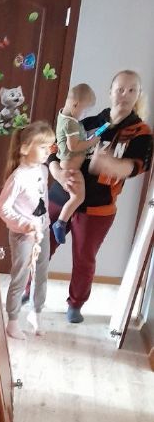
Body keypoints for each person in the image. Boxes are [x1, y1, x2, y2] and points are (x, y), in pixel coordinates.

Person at [46, 70, 153, 324]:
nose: (125, 94)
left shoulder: (141, 132)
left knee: (84, 259)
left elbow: (138, 166)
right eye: (120, 89)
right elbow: (54, 150)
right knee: (41, 247)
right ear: (110, 91)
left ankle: (75, 304)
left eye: (131, 90)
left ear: (139, 94)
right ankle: (28, 289)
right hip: (60, 195)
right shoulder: (88, 121)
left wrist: (111, 165)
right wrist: (57, 172)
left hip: (97, 208)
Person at [0, 121, 55, 340]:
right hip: (23, 235)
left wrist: (42, 224)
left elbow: (41, 201)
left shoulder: (43, 170)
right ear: (25, 148)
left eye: (50, 146)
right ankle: (12, 321)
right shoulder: (18, 177)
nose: (48, 151)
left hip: (43, 231)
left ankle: (36, 313)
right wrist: (25, 224)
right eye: (43, 147)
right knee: (20, 276)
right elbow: (2, 208)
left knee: (41, 273)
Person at [52, 83, 103, 245]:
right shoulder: (71, 123)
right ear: (75, 105)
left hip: (68, 165)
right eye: (85, 111)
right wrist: (92, 141)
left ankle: (60, 222)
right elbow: (74, 146)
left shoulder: (65, 117)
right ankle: (60, 223)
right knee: (78, 197)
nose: (85, 115)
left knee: (76, 196)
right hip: (72, 168)